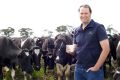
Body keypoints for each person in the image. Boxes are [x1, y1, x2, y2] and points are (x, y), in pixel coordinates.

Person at [66, 4, 110, 80]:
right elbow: (76, 47)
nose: (84, 15)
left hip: (93, 70)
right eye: (81, 13)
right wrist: (71, 50)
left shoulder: (98, 27)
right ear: (79, 14)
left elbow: (106, 49)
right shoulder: (77, 30)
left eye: (86, 13)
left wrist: (96, 67)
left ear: (90, 14)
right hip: (78, 69)